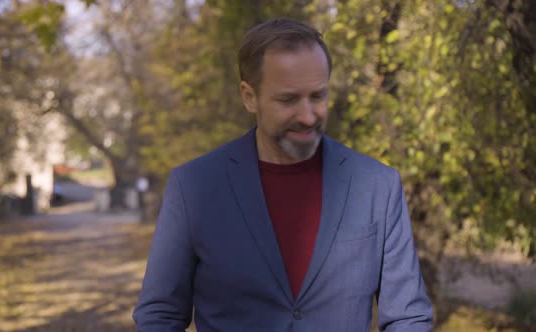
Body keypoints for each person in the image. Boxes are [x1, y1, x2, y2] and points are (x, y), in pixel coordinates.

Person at [132, 18, 433, 331]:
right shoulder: (193, 187)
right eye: (288, 100)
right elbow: (160, 314)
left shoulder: (377, 186)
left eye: (318, 96)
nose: (307, 116)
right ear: (249, 96)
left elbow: (408, 318)